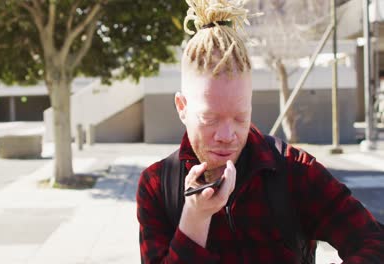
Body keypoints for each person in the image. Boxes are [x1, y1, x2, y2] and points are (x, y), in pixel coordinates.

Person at [136, 0, 384, 263]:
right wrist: (195, 218)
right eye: (209, 118)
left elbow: (373, 242)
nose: (227, 135)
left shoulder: (294, 170)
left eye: (240, 117)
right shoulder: (157, 186)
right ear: (182, 107)